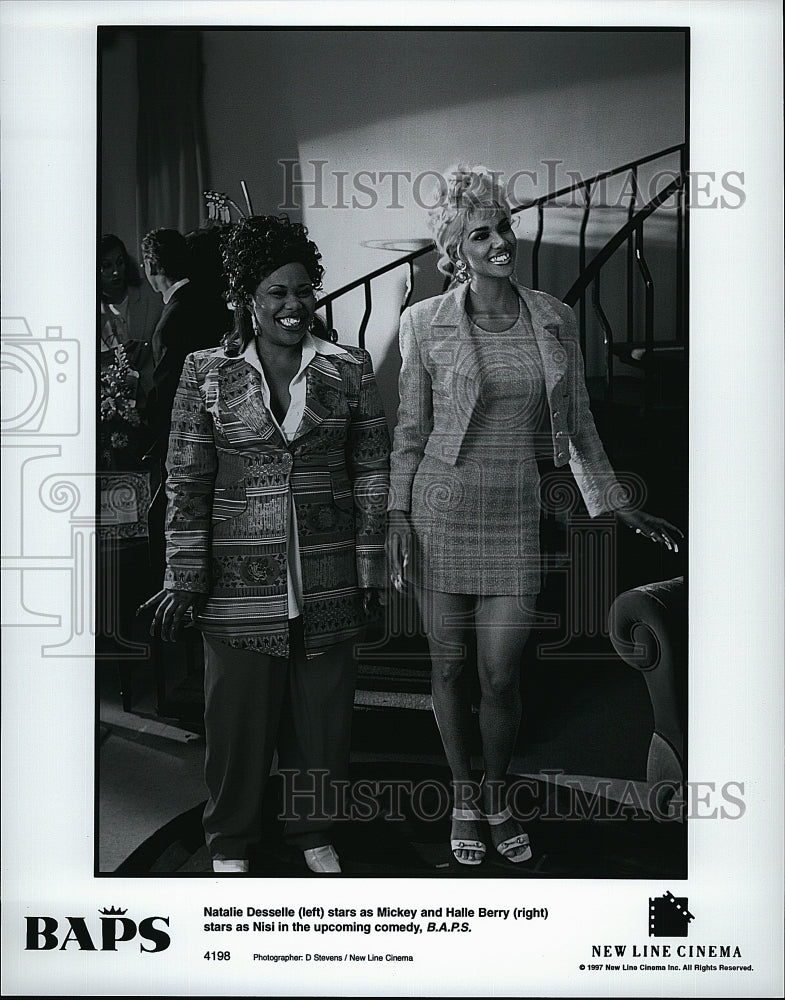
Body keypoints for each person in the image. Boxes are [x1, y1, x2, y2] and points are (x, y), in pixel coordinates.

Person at [386, 165, 682, 867]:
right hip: (440, 507)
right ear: (455, 249)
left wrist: (616, 503)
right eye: (481, 233)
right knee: (451, 667)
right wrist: (396, 512)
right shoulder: (422, 323)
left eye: (503, 227)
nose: (500, 242)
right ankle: (464, 796)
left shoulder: (553, 315)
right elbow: (408, 430)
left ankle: (496, 791)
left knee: (499, 674)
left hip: (514, 507)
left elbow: (578, 425)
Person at [141, 214, 390, 875]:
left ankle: (313, 830)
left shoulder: (348, 367)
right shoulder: (206, 372)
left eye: (303, 290)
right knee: (236, 723)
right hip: (235, 579)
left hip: (329, 571)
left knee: (323, 720)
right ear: (245, 298)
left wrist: (370, 561)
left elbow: (370, 469)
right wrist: (183, 574)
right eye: (276, 292)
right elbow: (187, 480)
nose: (292, 304)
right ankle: (230, 840)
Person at [141, 227, 229, 444]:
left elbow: (167, 397)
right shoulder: (214, 302)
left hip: (190, 435)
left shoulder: (167, 327)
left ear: (152, 266)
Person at [99, 233, 162, 404]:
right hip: (114, 402)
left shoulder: (150, 294)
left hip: (155, 395)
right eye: (106, 265)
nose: (116, 271)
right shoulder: (90, 311)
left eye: (120, 262)